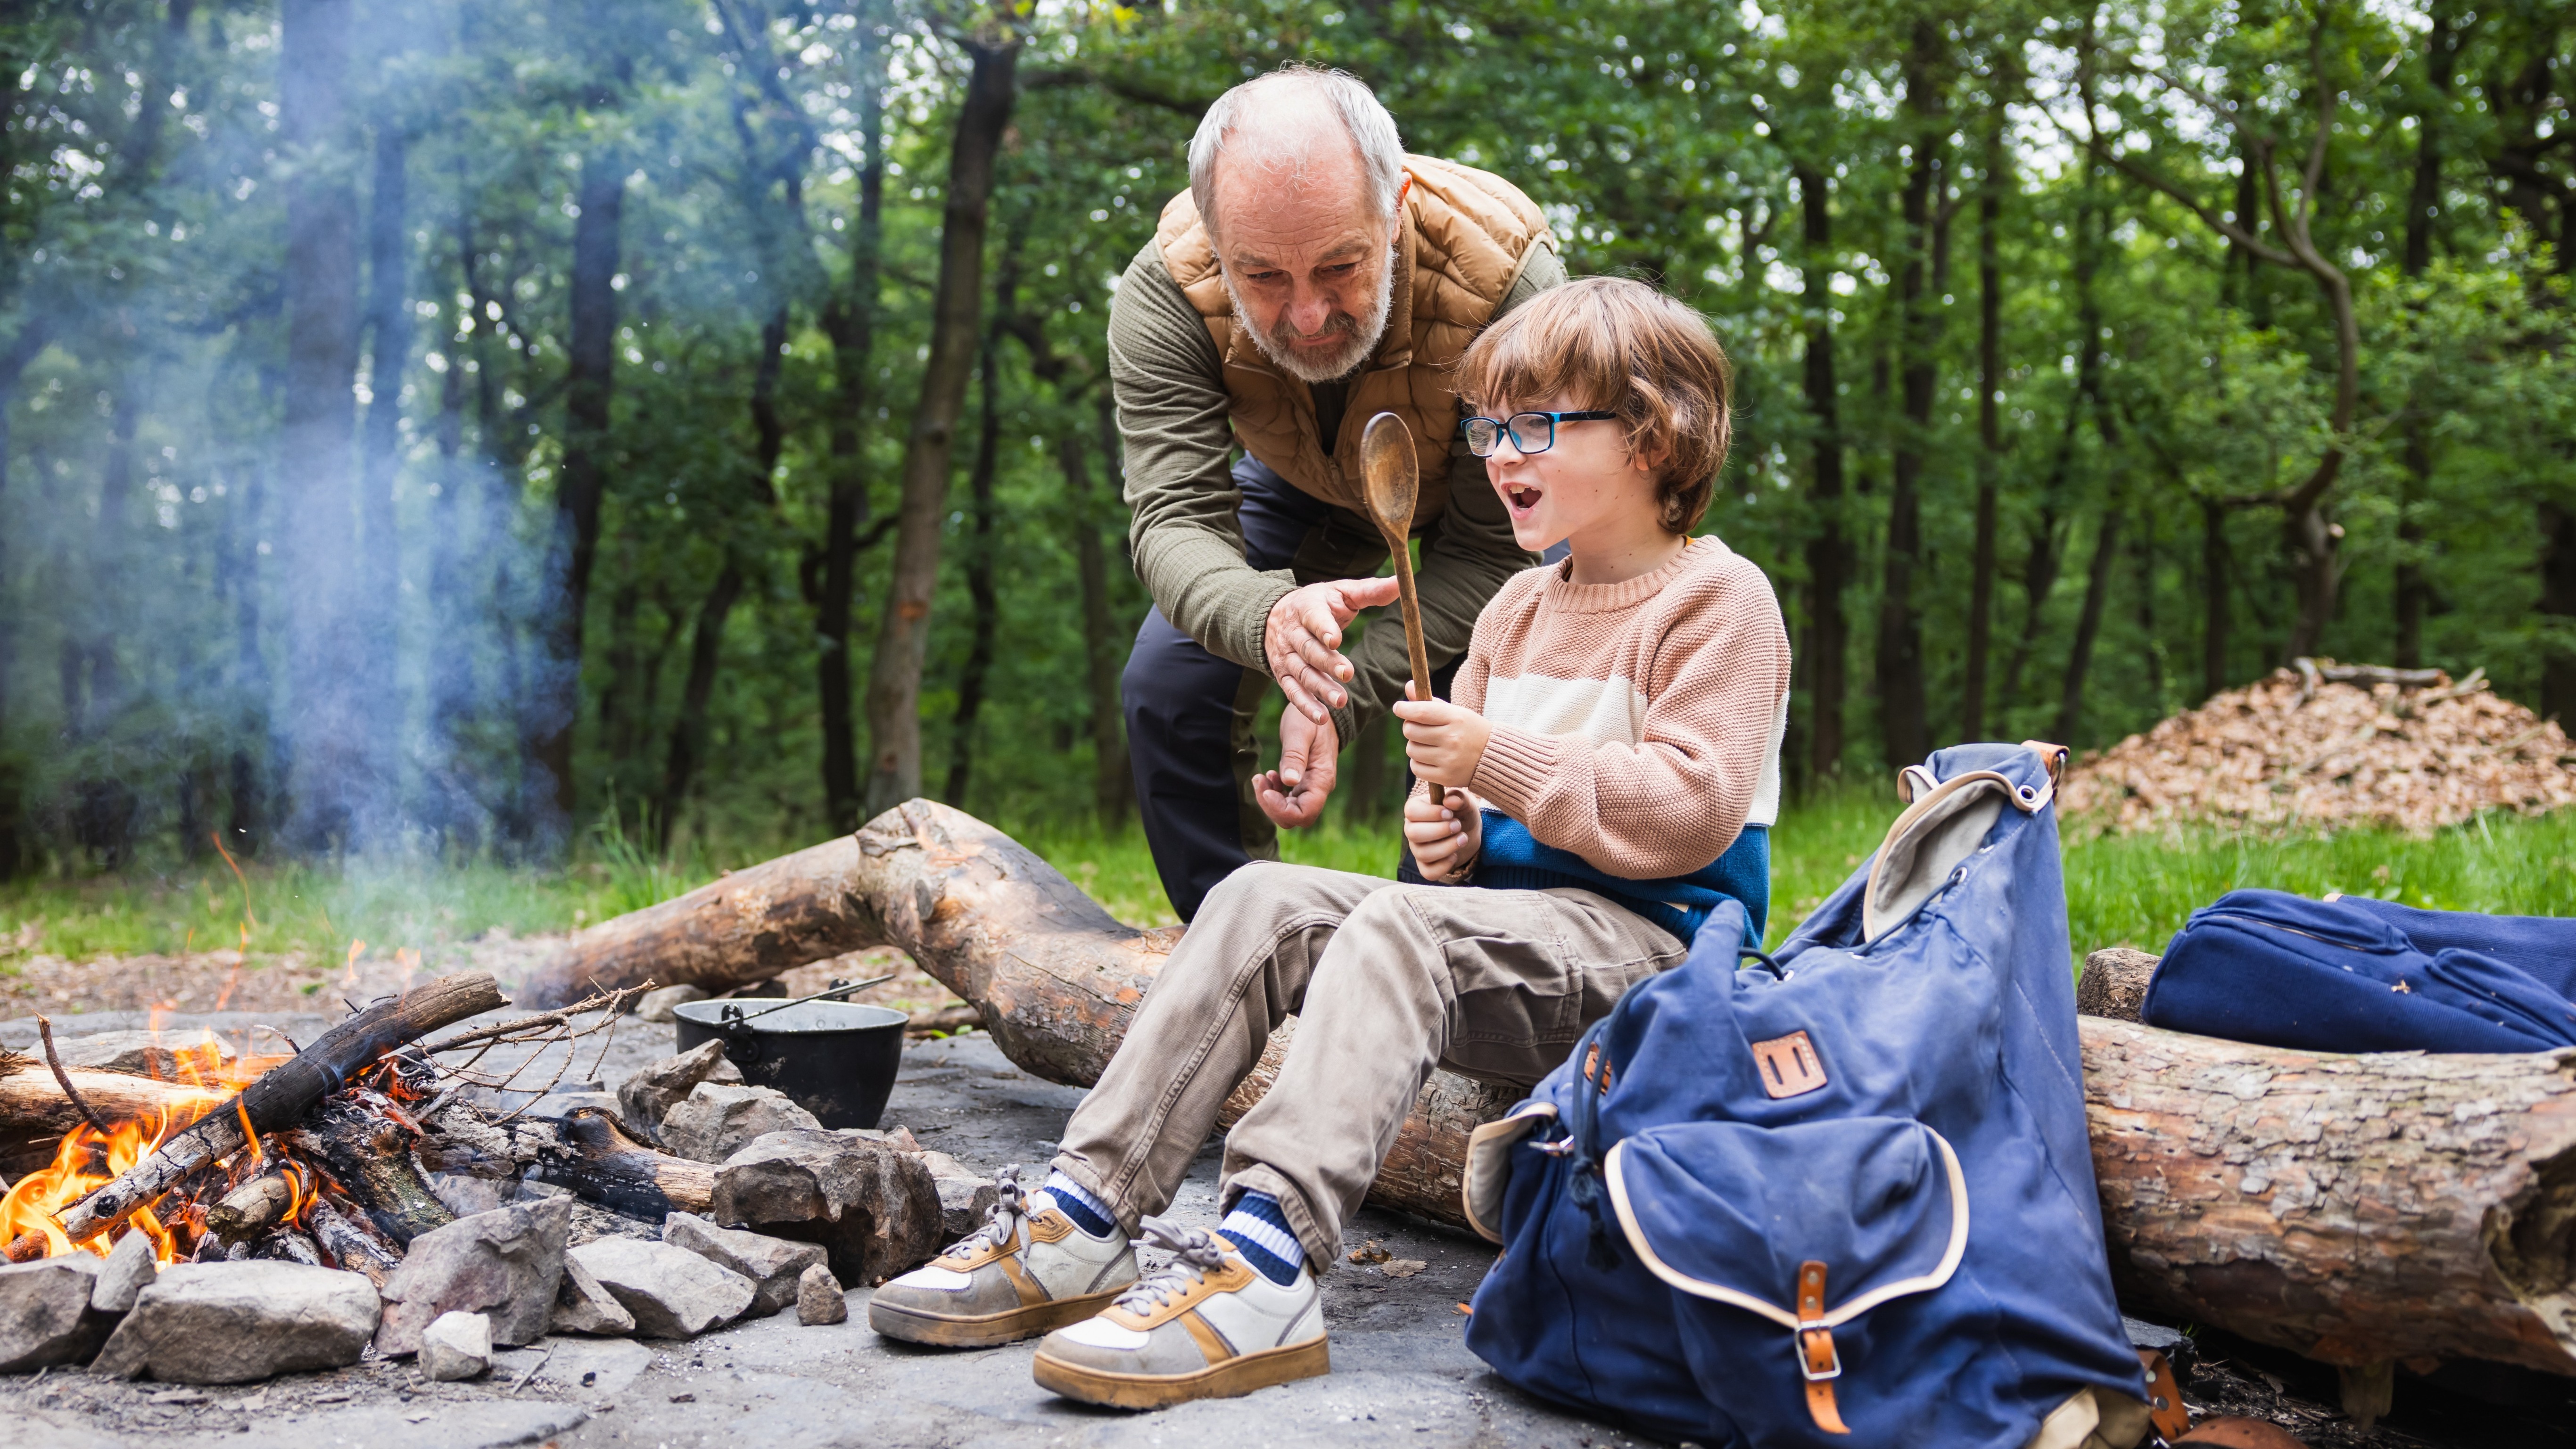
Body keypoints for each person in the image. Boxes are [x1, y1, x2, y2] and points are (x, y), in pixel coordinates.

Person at [868, 277, 1793, 1410]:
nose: (1500, 452)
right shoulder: (1509, 613)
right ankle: (1083, 1212)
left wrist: (1490, 759)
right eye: (1489, 427)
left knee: (1401, 924)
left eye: (1538, 425)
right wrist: (1447, 830)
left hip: (1660, 956)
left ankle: (1263, 1259)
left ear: (1654, 436)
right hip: (1515, 950)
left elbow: (1688, 808)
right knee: (1260, 894)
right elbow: (1483, 849)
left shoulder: (1716, 599)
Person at [1111, 62, 1567, 922]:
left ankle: (1433, 960)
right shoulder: (1166, 292)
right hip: (1303, 478)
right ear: (1215, 239)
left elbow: (1490, 552)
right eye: (1264, 277)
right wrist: (1270, 621)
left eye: (1339, 266)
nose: (1309, 315)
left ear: (1393, 211)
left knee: (1478, 694)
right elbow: (1175, 517)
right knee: (1169, 686)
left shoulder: (1508, 285)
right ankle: (1240, 947)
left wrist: (1340, 692)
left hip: (1498, 502)